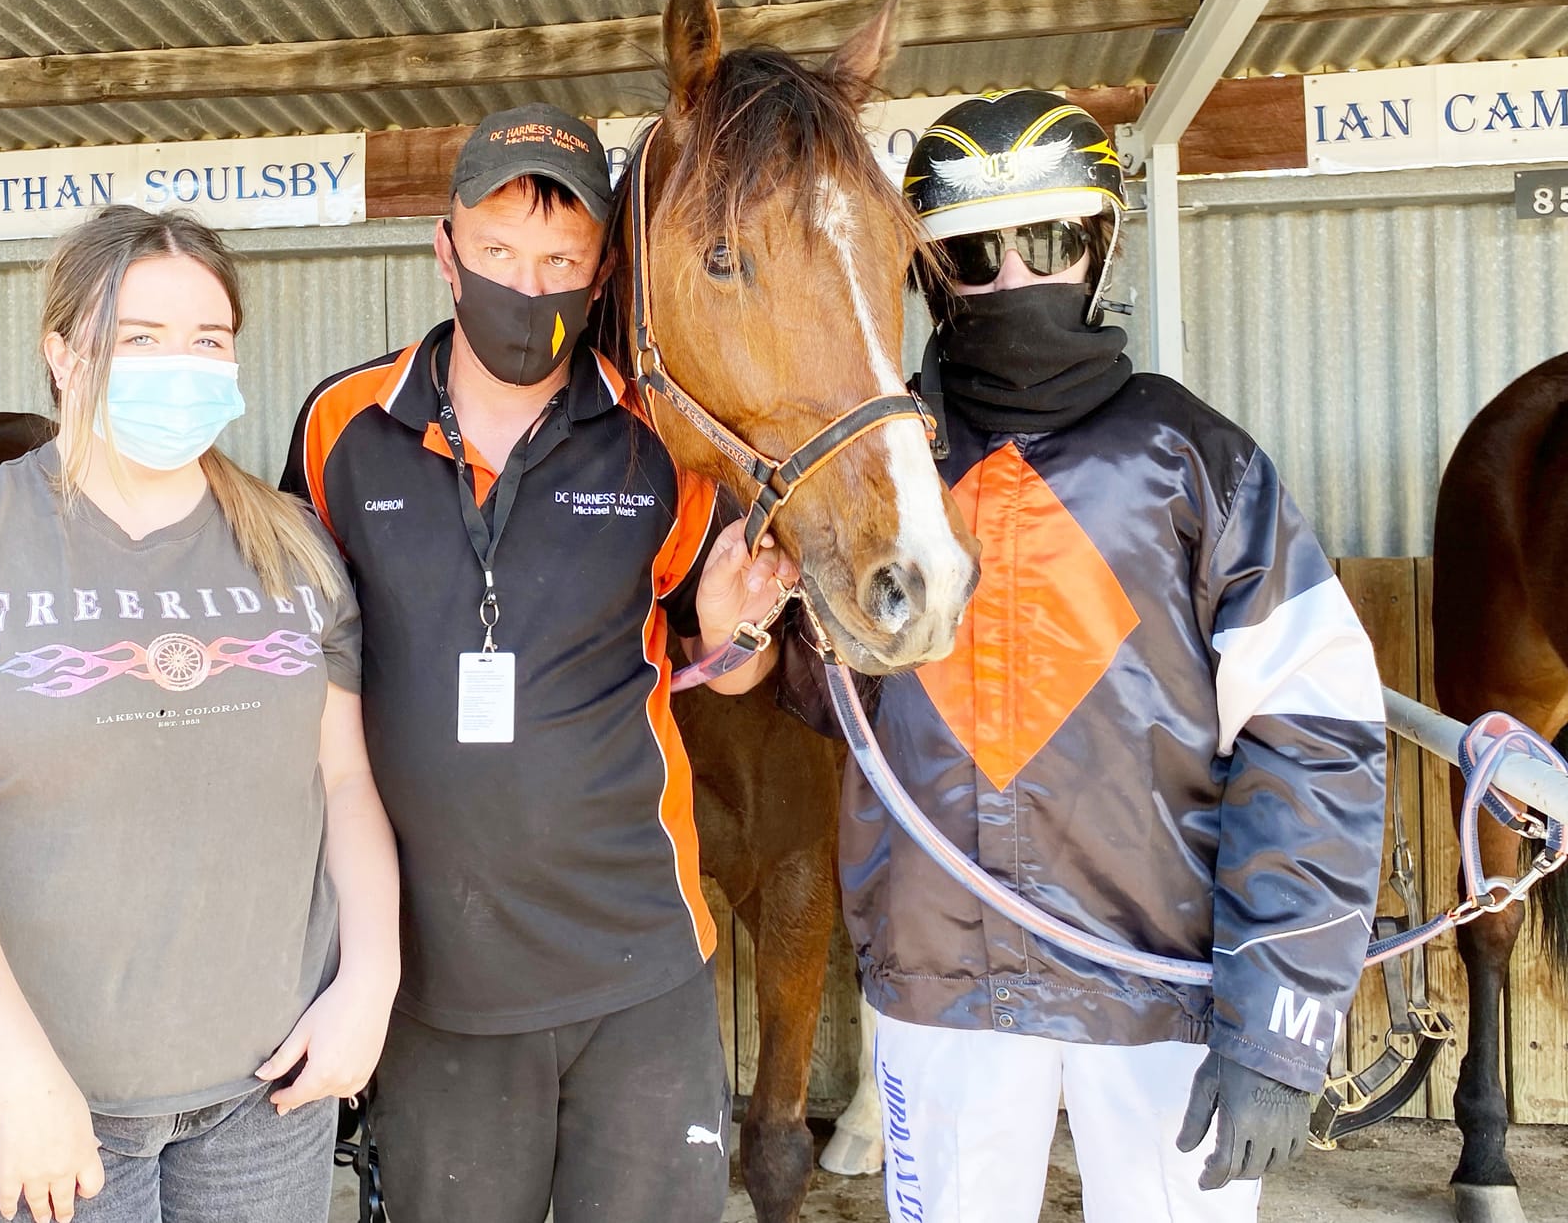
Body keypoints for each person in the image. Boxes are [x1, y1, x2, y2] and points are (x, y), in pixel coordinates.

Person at [784, 90, 1387, 1223]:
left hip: (1166, 996)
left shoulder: (1199, 460)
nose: (1015, 276)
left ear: (1098, 247)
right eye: (973, 254)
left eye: (1049, 240)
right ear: (932, 277)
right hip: (941, 990)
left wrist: (1279, 1025)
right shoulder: (873, 476)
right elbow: (833, 701)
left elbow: (1315, 740)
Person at [282, 103, 796, 1223]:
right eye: (499, 252)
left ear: (601, 271)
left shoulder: (661, 441)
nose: (528, 286)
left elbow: (731, 673)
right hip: (432, 973)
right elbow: (297, 677)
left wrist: (733, 628)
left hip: (638, 959)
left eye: (561, 262)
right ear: (445, 249)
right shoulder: (341, 429)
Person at [0, 205, 398, 1223]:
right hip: (34, 1097)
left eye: (208, 340)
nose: (179, 365)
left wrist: (370, 980)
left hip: (267, 1092)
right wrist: (18, 1079)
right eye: (140, 338)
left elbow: (347, 781)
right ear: (63, 353)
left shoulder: (295, 546)